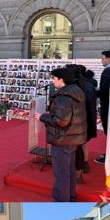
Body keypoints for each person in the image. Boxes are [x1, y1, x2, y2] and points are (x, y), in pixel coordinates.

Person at [40, 67, 87, 202]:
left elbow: (60, 121)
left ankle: (61, 200)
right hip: (72, 138)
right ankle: (70, 197)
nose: (53, 81)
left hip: (62, 139)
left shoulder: (63, 98)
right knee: (70, 172)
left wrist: (43, 117)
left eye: (54, 78)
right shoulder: (76, 92)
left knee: (62, 174)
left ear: (62, 80)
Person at [98, 50, 110, 165]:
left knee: (108, 130)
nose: (101, 60)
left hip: (107, 106)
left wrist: (91, 92)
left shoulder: (107, 72)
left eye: (103, 58)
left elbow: (103, 91)